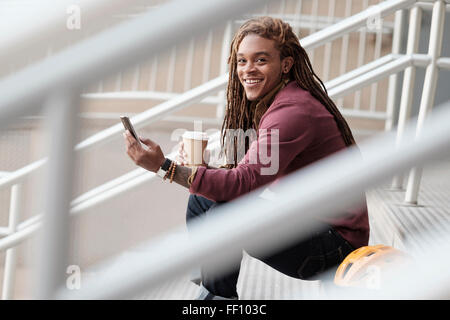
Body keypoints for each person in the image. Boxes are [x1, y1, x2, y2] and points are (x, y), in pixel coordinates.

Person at [124, 16, 369, 300]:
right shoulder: (280, 102)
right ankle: (210, 283)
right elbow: (249, 178)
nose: (247, 69)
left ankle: (216, 295)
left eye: (261, 60)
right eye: (242, 61)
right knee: (202, 200)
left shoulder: (292, 112)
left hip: (334, 245)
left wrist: (165, 168)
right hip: (312, 225)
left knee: (225, 215)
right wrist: (199, 170)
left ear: (286, 64)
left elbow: (244, 184)